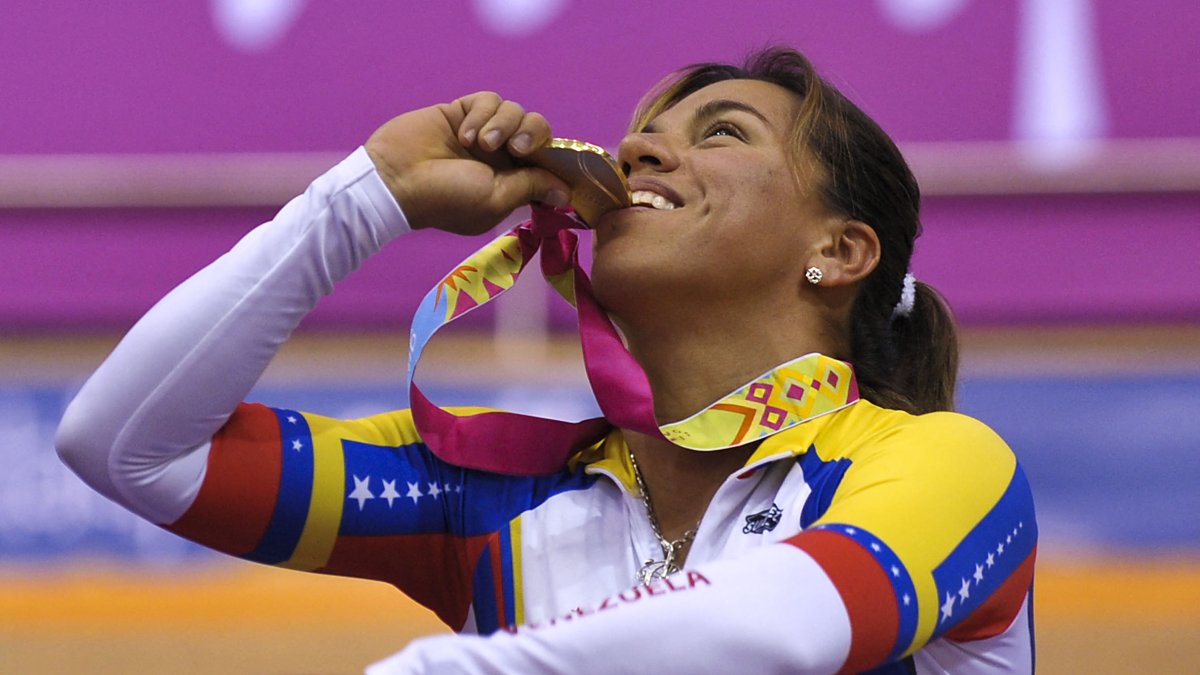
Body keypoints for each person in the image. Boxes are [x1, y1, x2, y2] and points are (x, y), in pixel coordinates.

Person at [56, 47, 1037, 673]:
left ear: (839, 252)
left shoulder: (944, 464)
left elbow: (784, 629)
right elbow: (127, 448)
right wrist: (371, 196)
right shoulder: (493, 498)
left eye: (722, 133)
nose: (642, 152)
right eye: (643, 135)